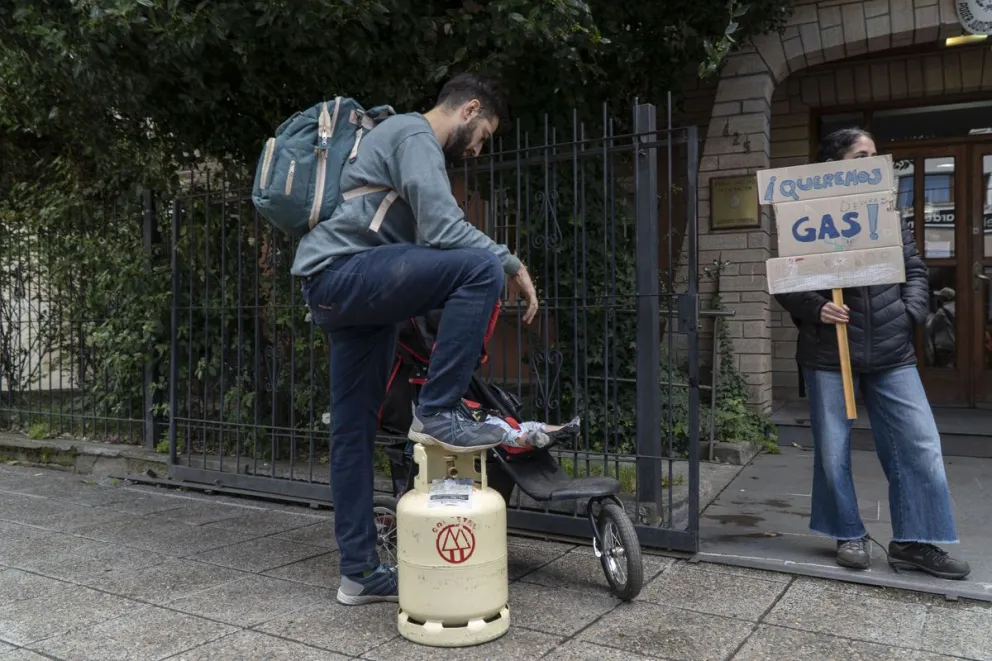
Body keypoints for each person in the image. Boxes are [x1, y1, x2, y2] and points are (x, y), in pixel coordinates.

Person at [292, 73, 540, 605]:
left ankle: (358, 573)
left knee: (353, 430)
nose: (477, 150)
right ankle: (439, 408)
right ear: (469, 110)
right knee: (479, 268)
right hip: (345, 275)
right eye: (484, 135)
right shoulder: (413, 135)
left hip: (348, 291)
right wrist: (512, 263)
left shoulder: (402, 139)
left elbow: (421, 252)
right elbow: (444, 232)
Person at [775, 128, 969, 580]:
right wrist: (816, 307)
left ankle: (914, 542)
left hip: (892, 348)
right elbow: (785, 278)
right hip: (829, 352)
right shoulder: (805, 217)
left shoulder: (888, 214)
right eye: (862, 155)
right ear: (835, 167)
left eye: (876, 155)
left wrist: (911, 312)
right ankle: (848, 533)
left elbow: (916, 269)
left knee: (918, 444)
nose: (874, 161)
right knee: (832, 451)